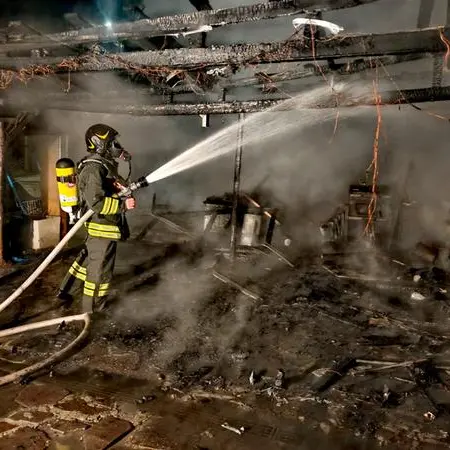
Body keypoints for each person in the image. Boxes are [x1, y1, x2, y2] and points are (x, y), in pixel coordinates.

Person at [58, 123, 135, 313]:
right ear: (100, 144)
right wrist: (123, 206)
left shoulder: (101, 165)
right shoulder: (93, 168)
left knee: (87, 262)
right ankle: (91, 310)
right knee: (99, 272)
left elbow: (105, 189)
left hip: (103, 227)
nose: (117, 146)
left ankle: (65, 291)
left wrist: (119, 186)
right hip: (102, 228)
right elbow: (97, 203)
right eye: (112, 142)